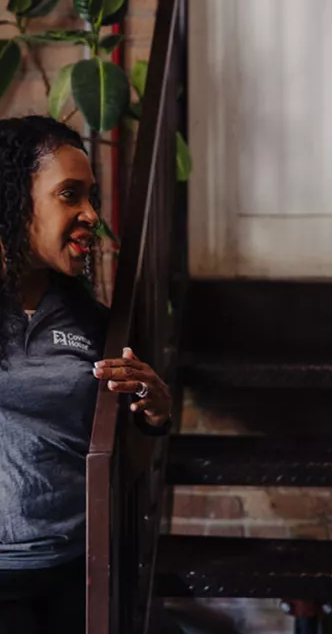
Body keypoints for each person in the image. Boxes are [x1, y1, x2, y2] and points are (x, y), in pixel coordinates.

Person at [0, 116, 173, 634]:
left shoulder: (92, 320)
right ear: (13, 201)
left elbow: (125, 452)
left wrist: (154, 413)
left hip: (80, 569)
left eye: (91, 197)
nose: (91, 216)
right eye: (69, 195)